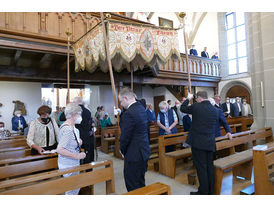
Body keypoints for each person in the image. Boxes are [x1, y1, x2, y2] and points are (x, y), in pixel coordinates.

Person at [180, 91, 231, 195]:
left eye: (196, 99)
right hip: (210, 143)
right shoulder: (215, 110)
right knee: (209, 167)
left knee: (201, 168)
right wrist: (228, 131)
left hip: (198, 143)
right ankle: (210, 191)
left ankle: (203, 191)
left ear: (199, 98)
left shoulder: (196, 106)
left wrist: (188, 98)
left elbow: (182, 108)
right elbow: (223, 122)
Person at [117, 87, 150, 192]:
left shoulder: (129, 113)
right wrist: (121, 114)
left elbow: (125, 136)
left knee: (132, 185)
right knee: (140, 182)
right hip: (143, 151)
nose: (121, 104)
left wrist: (122, 150)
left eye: (121, 101)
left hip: (133, 154)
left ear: (126, 98)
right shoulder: (141, 108)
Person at [56, 103, 86, 195]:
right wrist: (77, 156)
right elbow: (60, 149)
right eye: (79, 114)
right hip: (68, 163)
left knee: (75, 188)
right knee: (71, 190)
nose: (80, 117)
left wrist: (78, 141)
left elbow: (70, 141)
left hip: (72, 162)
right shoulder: (68, 129)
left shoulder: (72, 127)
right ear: (74, 115)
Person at [73, 97, 94, 164]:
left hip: (77, 135)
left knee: (77, 152)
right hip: (86, 135)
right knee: (86, 152)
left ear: (76, 102)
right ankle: (88, 167)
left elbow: (62, 117)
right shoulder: (88, 111)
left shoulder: (75, 111)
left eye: (74, 102)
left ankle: (79, 166)